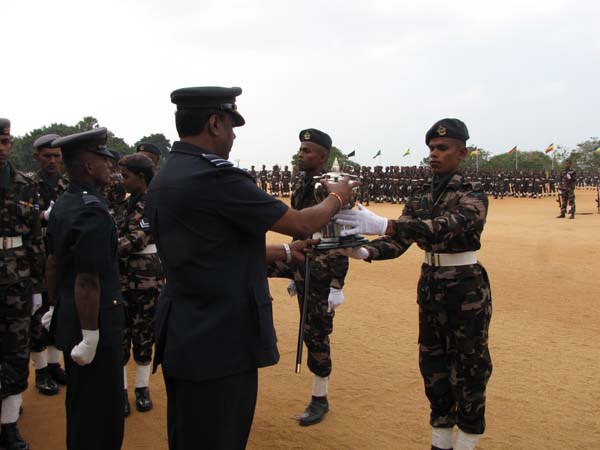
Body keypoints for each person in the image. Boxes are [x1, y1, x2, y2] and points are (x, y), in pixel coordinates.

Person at [145, 86, 355, 450]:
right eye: (231, 124)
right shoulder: (215, 177)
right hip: (222, 340)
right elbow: (302, 222)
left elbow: (212, 248)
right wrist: (339, 196)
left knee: (189, 435)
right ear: (214, 123)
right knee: (220, 436)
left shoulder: (166, 175)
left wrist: (284, 252)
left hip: (185, 332)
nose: (233, 134)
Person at [336, 119, 492, 450]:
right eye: (431, 149)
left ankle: (466, 443)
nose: (434, 154)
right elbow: (400, 241)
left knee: (469, 368)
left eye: (442, 148)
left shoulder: (472, 192)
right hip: (431, 285)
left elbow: (448, 226)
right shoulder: (421, 192)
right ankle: (439, 442)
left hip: (466, 289)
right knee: (432, 367)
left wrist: (386, 224)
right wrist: (364, 250)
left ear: (461, 152)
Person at [45, 127, 125, 450]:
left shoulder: (64, 203)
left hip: (71, 317)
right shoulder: (92, 209)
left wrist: (53, 307)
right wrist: (91, 335)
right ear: (89, 166)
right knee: (102, 415)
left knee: (80, 407)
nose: (111, 165)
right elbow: (88, 279)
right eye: (104, 159)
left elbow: (52, 262)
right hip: (93, 325)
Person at [268, 128, 348, 426]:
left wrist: (337, 284)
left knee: (315, 332)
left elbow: (343, 236)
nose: (301, 155)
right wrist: (290, 263)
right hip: (302, 259)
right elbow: (297, 226)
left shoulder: (330, 187)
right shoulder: (303, 183)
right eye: (300, 150)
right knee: (248, 264)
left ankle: (319, 398)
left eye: (308, 151)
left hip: (323, 268)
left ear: (324, 157)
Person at [0, 118, 45, 450]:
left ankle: (9, 425)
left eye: (5, 141)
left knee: (16, 354)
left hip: (16, 282)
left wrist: (38, 286)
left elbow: (35, 238)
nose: (1, 148)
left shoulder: (25, 184)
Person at [117, 153, 163, 416]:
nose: (121, 181)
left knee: (144, 336)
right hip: (122, 280)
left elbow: (137, 238)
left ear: (141, 177)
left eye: (126, 177)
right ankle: (121, 390)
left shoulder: (154, 204)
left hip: (147, 282)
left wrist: (102, 248)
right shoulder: (124, 205)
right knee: (121, 337)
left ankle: (142, 388)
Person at [30, 133, 69, 396]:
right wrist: (40, 216)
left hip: (64, 261)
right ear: (37, 158)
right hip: (35, 262)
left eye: (56, 156)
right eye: (47, 156)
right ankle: (41, 370)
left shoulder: (69, 184)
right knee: (37, 316)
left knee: (59, 312)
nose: (52, 161)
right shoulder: (28, 185)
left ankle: (55, 365)